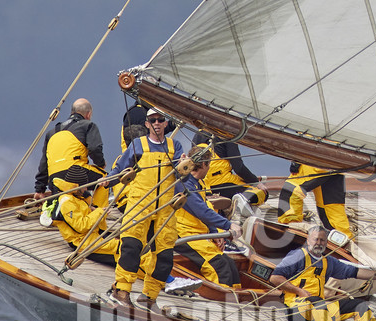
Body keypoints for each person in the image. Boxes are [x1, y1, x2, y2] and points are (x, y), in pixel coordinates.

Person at [271, 224, 376, 321]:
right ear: (308, 240)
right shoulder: (298, 256)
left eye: (322, 240)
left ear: (326, 242)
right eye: (315, 239)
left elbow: (355, 272)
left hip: (319, 312)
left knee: (359, 306)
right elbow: (275, 278)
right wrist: (299, 291)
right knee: (317, 301)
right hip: (295, 310)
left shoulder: (328, 262)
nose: (319, 243)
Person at [107, 109, 182, 309]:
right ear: (147, 124)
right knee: (131, 247)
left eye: (160, 120)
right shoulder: (137, 145)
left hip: (165, 207)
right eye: (152, 120)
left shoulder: (175, 148)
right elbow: (120, 169)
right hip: (140, 205)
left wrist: (186, 169)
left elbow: (182, 177)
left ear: (166, 124)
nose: (156, 123)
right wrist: (107, 181)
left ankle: (149, 297)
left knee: (164, 255)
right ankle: (121, 291)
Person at [173, 155, 240, 288]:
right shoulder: (185, 185)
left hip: (199, 233)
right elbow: (202, 212)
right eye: (209, 165)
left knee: (230, 264)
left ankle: (238, 297)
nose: (210, 168)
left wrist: (215, 233)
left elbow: (206, 207)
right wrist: (229, 225)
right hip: (183, 233)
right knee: (220, 266)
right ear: (203, 165)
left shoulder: (200, 183)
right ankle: (225, 299)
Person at [34, 98, 108, 207]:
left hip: (54, 180)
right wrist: (100, 163)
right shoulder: (87, 125)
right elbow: (94, 148)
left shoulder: (52, 132)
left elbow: (44, 163)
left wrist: (39, 189)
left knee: (81, 193)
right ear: (89, 114)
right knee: (104, 179)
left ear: (72, 112)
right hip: (74, 173)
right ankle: (100, 214)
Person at [42, 188, 121, 266]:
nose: (86, 189)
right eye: (84, 186)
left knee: (128, 242)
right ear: (78, 185)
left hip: (94, 235)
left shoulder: (77, 197)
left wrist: (92, 210)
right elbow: (81, 226)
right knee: (126, 249)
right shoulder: (67, 202)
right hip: (83, 242)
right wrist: (100, 212)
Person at [276, 162, 353, 241]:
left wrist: (296, 162)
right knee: (330, 205)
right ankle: (344, 240)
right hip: (334, 160)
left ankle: (291, 227)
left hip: (317, 160)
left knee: (291, 190)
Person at [192, 130, 266, 207]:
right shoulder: (228, 134)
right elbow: (239, 168)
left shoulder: (198, 134)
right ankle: (242, 198)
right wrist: (256, 182)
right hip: (223, 183)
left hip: (204, 185)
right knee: (261, 193)